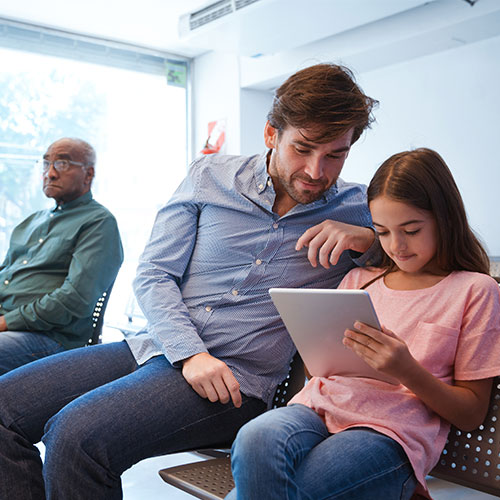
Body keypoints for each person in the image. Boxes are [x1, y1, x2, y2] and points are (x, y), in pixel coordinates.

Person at [0, 63, 379, 499]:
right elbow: (154, 273)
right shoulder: (210, 177)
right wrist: (190, 352)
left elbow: (443, 246)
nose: (317, 170)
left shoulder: (358, 206)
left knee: (75, 437)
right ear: (271, 134)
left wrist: (369, 239)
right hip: (156, 348)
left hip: (236, 384)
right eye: (304, 148)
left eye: (336, 154)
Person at [227, 148, 500, 500]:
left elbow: (470, 413)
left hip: (389, 433)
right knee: (253, 439)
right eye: (383, 232)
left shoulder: (474, 291)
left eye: (411, 230)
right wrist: (319, 346)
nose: (396, 246)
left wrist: (406, 369)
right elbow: (319, 373)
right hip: (315, 410)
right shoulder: (360, 280)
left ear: (445, 219)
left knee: (278, 492)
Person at [0, 137, 123, 374]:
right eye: (46, 164)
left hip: (50, 338)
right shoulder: (30, 223)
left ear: (88, 175)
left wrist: (7, 322)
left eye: (62, 164)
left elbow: (75, 299)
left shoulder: (98, 223)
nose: (50, 173)